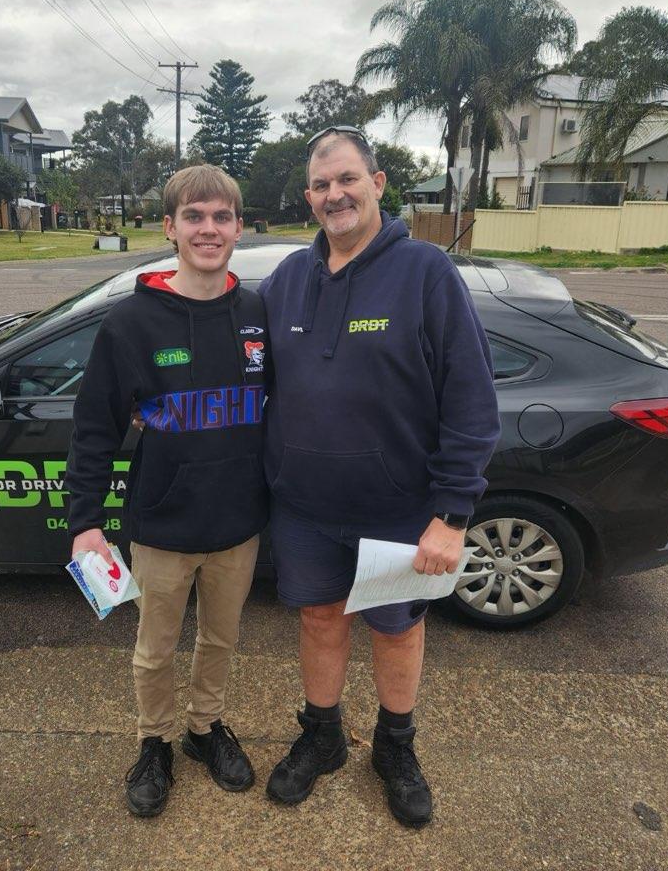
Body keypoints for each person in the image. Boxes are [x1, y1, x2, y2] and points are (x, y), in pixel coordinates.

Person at [258, 128, 500, 828]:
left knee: (395, 630)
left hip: (400, 508)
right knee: (319, 619)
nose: (334, 194)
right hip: (304, 508)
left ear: (377, 183)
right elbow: (246, 371)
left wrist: (452, 515)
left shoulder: (425, 271)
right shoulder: (286, 281)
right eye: (321, 185)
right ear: (309, 197)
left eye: (347, 179)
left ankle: (395, 746)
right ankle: (323, 735)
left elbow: (471, 400)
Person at [65, 165, 269, 817]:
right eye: (194, 217)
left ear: (239, 228)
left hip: (239, 522)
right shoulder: (131, 323)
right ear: (170, 227)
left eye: (221, 217)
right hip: (162, 523)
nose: (209, 229)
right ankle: (153, 742)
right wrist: (85, 521)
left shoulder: (258, 313)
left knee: (220, 641)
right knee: (154, 651)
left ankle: (204, 730)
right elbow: (94, 428)